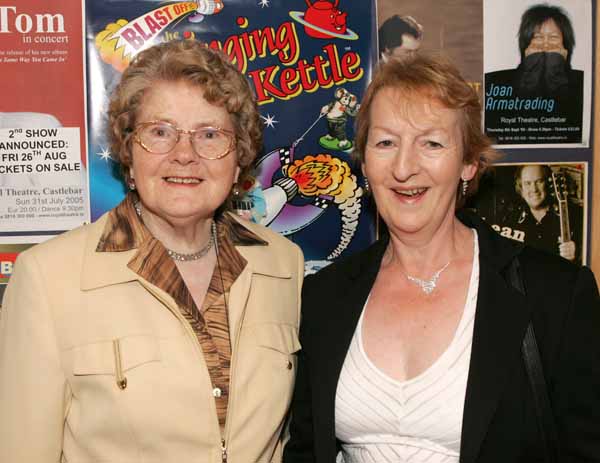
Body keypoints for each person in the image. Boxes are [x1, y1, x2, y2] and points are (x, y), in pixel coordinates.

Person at [283, 54, 600, 462]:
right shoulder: (325, 296)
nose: (403, 168)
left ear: (468, 163)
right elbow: (306, 450)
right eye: (385, 143)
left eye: (431, 143)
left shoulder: (556, 296)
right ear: (364, 160)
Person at [0, 40, 303, 462]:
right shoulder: (48, 278)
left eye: (210, 135)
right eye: (159, 132)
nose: (184, 155)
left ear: (238, 160)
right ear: (127, 152)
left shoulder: (283, 264)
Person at [484, 4, 583, 143]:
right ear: (526, 43)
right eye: (538, 37)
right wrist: (530, 72)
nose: (546, 44)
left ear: (565, 44)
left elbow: (569, 120)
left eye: (553, 37)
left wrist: (556, 70)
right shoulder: (496, 80)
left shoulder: (582, 82)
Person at [509, 164, 583, 263]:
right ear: (521, 188)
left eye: (539, 181)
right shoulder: (512, 220)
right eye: (527, 183)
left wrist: (579, 254)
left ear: (549, 183)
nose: (534, 189)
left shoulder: (576, 216)